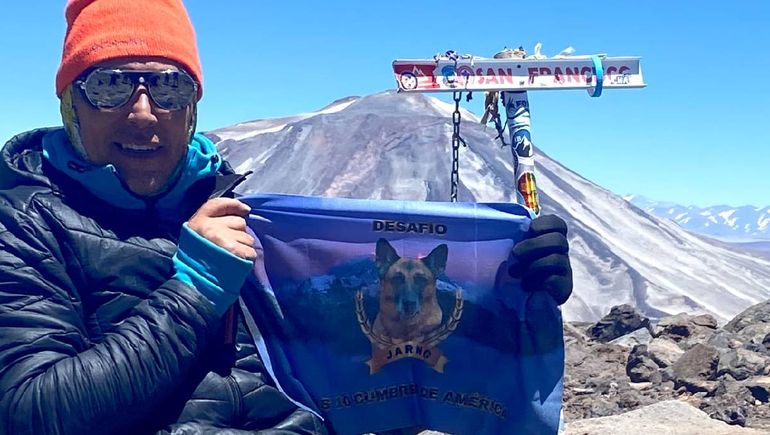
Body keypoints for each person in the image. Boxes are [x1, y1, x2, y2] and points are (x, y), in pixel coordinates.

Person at [0, 0, 572, 434]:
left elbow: (365, 375)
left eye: (170, 86)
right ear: (69, 103)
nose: (144, 111)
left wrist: (509, 293)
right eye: (109, 84)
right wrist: (194, 290)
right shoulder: (26, 223)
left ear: (194, 106)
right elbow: (30, 413)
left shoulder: (244, 215)